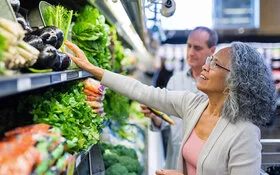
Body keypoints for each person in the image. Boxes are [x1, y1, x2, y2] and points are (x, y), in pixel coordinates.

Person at [64, 40, 276, 175]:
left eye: (215, 63)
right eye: (209, 59)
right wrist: (94, 70)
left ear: (234, 82)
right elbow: (141, 91)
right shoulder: (193, 104)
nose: (205, 65)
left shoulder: (245, 133)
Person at [141, 26, 218, 170]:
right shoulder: (175, 81)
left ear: (212, 51)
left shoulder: (218, 86)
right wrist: (155, 115)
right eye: (189, 46)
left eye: (197, 48)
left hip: (203, 167)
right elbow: (167, 121)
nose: (191, 52)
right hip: (174, 161)